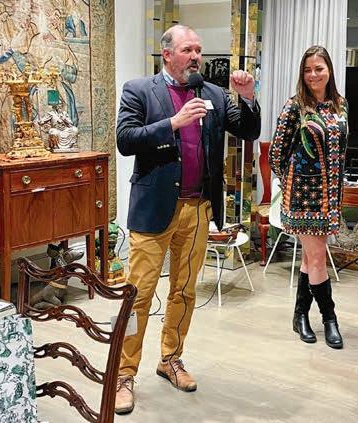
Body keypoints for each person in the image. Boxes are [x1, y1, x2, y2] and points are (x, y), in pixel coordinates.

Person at [115, 24, 260, 415]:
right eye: (187, 49)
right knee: (138, 295)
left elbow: (248, 130)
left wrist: (248, 98)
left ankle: (171, 358)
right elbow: (125, 140)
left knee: (184, 291)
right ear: (167, 54)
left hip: (197, 209)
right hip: (153, 209)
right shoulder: (139, 90)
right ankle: (123, 374)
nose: (196, 56)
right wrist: (173, 123)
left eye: (198, 49)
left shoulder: (213, 94)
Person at [269, 45, 348, 349]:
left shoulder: (341, 105)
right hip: (303, 197)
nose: (313, 75)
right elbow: (276, 153)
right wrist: (294, 179)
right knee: (317, 258)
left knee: (309, 258)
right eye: (307, 70)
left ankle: (300, 315)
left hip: (331, 195)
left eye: (319, 68)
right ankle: (330, 319)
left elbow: (342, 152)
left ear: (329, 70)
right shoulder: (295, 107)